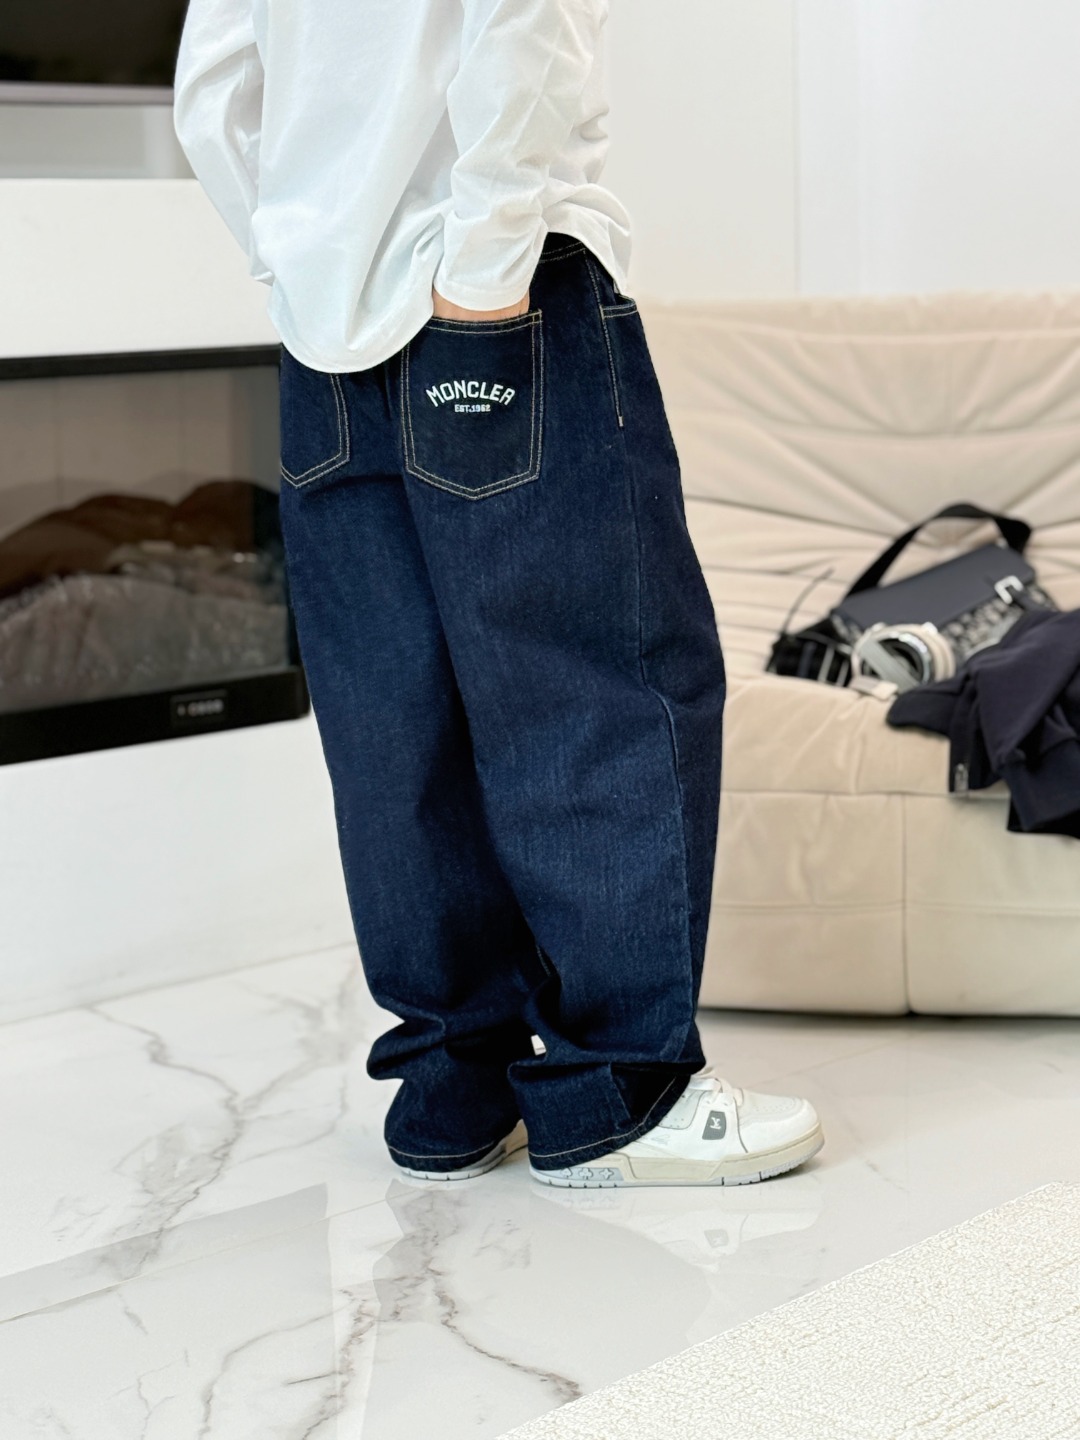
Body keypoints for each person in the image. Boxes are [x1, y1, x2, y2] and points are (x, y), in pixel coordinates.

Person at [173, 0, 824, 1188]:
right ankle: (620, 1091)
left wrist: (299, 258)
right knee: (602, 684)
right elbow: (523, 23)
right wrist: (482, 270)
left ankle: (451, 1087)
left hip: (324, 324)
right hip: (496, 288)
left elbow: (212, 88)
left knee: (392, 721)